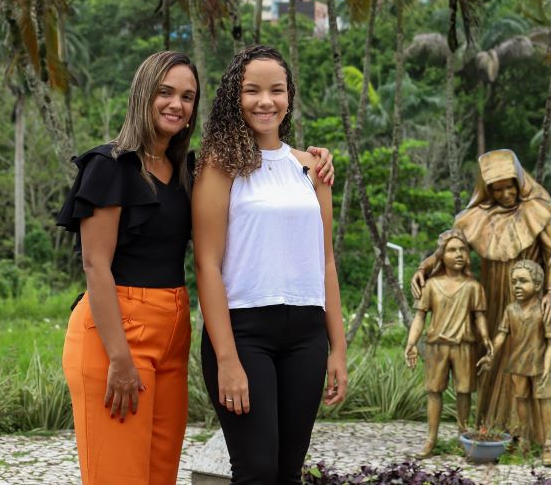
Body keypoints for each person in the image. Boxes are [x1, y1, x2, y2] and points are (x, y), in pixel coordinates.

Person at [57, 51, 334, 485]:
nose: (176, 104)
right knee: (118, 475)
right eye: (165, 92)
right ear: (142, 95)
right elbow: (95, 265)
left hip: (172, 328)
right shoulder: (109, 166)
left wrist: (314, 157)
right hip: (115, 330)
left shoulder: (184, 169)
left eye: (187, 96)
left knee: (159, 473)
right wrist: (119, 358)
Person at [193, 45, 348, 483]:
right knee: (256, 470)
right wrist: (226, 358)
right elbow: (206, 264)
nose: (266, 101)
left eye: (277, 90)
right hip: (243, 334)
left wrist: (337, 349)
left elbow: (326, 262)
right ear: (233, 99)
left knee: (287, 472)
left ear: (289, 97)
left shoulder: (313, 167)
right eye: (252, 91)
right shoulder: (219, 166)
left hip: (306, 336)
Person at [410, 149, 551, 431]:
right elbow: (449, 247)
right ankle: (490, 425)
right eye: (498, 190)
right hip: (490, 299)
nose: (506, 194)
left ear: (520, 181)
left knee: (520, 360)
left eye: (511, 186)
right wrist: (424, 267)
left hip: (525, 299)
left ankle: (522, 431)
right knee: (491, 355)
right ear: (487, 190)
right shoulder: (476, 217)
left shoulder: (538, 211)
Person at [404, 228, 491, 458]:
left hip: (464, 346)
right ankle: (430, 439)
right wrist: (411, 342)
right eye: (452, 250)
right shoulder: (431, 285)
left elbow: (479, 317)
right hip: (436, 346)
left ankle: (463, 435)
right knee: (434, 391)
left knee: (464, 391)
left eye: (463, 249)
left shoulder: (474, 287)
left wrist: (486, 339)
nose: (459, 254)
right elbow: (420, 316)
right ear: (442, 254)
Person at [477, 259, 551, 467]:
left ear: (538, 285)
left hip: (542, 364)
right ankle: (524, 438)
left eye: (523, 281)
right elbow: (501, 336)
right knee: (521, 399)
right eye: (514, 282)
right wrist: (491, 355)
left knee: (543, 401)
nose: (517, 287)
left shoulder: (546, 309)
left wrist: (547, 368)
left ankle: (547, 443)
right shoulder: (510, 310)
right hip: (518, 364)